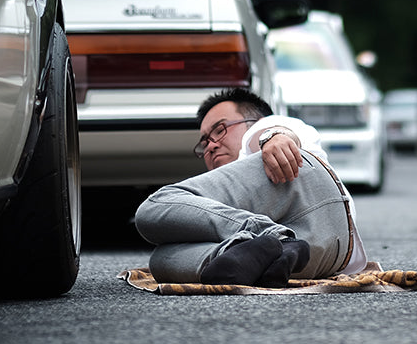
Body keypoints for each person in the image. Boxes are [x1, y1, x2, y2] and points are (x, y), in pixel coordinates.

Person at [133, 87, 369, 287]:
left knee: (154, 207)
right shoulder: (231, 198)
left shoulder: (261, 135)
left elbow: (281, 128)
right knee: (162, 260)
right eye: (204, 142)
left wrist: (275, 136)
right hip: (326, 256)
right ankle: (247, 256)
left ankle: (273, 236)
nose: (211, 146)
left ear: (252, 122)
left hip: (306, 189)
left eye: (220, 130)